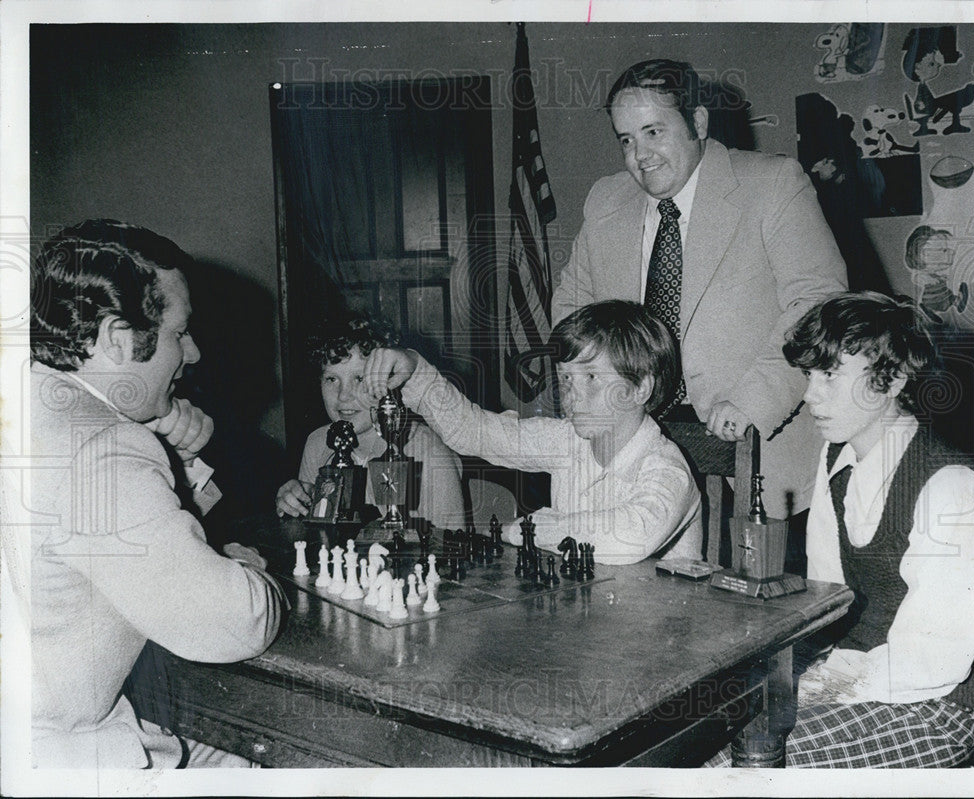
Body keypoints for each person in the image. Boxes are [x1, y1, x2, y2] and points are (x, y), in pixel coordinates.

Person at [28, 219, 286, 768]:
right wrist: (251, 571)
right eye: (178, 333)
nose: (191, 354)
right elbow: (230, 625)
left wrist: (175, 453)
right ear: (118, 339)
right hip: (62, 760)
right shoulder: (102, 447)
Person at [551, 59, 848, 520]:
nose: (640, 155)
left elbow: (819, 303)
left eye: (654, 132)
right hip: (638, 457)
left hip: (760, 454)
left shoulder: (772, 183)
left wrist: (753, 401)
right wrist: (595, 390)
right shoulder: (605, 200)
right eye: (626, 139)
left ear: (698, 122)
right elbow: (572, 309)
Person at [709, 292, 974, 767]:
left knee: (744, 758)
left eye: (830, 375)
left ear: (892, 379)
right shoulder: (837, 456)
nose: (810, 394)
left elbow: (932, 663)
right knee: (708, 730)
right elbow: (826, 597)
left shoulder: (950, 487)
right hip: (858, 671)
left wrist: (820, 688)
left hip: (934, 705)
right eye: (810, 375)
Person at [361, 300, 702, 565]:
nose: (572, 393)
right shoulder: (567, 439)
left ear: (640, 388)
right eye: (566, 378)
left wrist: (525, 529)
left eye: (591, 378)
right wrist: (415, 371)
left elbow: (631, 537)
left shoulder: (667, 468)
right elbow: (475, 431)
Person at [274, 315, 465, 528]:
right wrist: (296, 502)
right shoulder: (318, 443)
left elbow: (451, 545)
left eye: (359, 378)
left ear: (390, 380)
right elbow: (315, 537)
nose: (343, 395)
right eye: (331, 379)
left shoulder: (424, 449)